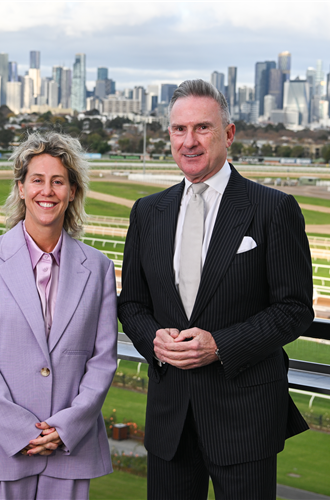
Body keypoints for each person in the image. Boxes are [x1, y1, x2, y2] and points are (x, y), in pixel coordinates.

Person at [118, 80, 314, 500]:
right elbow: (132, 304)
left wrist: (219, 346)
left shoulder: (273, 209)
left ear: (228, 133)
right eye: (178, 130)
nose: (189, 142)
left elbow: (294, 308)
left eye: (202, 128)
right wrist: (153, 339)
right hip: (170, 416)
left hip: (244, 419)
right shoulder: (147, 212)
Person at [0, 132, 118, 499]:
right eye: (37, 180)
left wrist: (67, 427)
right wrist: (19, 430)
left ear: (73, 191)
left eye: (59, 181)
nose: (47, 191)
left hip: (69, 447)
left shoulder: (99, 268)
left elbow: (103, 360)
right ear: (21, 188)